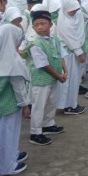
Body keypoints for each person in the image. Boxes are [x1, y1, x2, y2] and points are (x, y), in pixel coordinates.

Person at [0, 24, 30, 176]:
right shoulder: (13, 60)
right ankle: (7, 166)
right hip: (10, 105)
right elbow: (19, 88)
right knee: (9, 134)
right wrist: (25, 105)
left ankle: (1, 160)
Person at [29, 10, 67, 145]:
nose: (40, 27)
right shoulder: (35, 44)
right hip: (41, 79)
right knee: (39, 105)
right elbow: (43, 65)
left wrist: (65, 71)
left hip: (54, 77)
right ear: (33, 27)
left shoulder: (55, 39)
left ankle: (48, 124)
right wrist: (58, 75)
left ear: (50, 25)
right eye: (36, 24)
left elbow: (61, 55)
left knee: (51, 101)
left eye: (43, 23)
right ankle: (35, 132)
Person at [56, 0, 86, 115]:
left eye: (75, 10)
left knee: (74, 80)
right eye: (72, 11)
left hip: (72, 54)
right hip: (68, 55)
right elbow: (71, 40)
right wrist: (80, 53)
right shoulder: (65, 22)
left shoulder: (73, 18)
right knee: (70, 80)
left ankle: (71, 104)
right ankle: (68, 106)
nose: (74, 12)